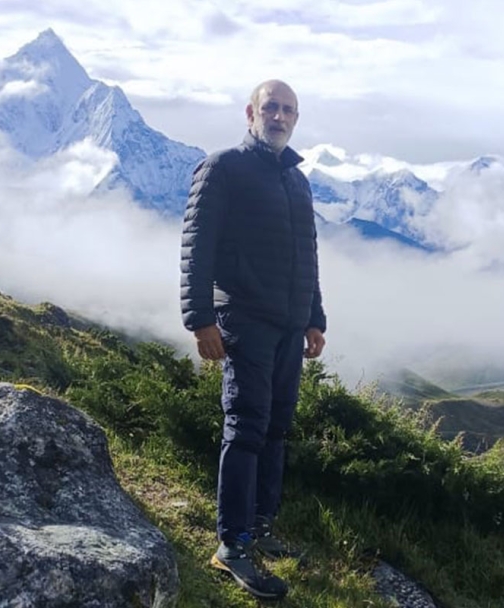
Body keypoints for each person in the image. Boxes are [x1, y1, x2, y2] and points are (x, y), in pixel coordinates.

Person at [180, 79, 326, 599]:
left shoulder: (296, 182)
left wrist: (315, 318)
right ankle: (232, 544)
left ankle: (261, 526)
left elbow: (306, 255)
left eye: (288, 109)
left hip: (289, 325)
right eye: (271, 107)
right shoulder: (224, 168)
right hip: (243, 319)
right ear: (250, 113)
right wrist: (200, 319)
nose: (280, 116)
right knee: (245, 427)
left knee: (276, 428)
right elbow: (197, 246)